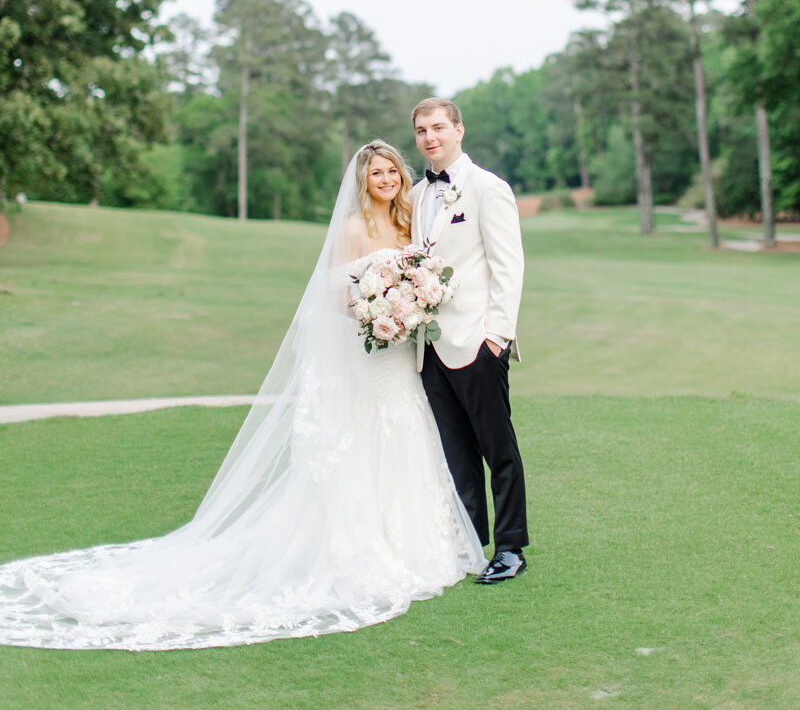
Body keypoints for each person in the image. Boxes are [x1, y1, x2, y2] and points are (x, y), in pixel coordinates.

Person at [0, 141, 483, 651]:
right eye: (376, 172)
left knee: (406, 435)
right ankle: (364, 547)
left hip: (401, 357)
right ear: (362, 180)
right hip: (372, 351)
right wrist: (382, 315)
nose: (386, 178)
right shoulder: (353, 229)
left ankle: (415, 545)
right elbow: (334, 294)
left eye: (392, 171)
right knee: (365, 441)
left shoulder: (409, 223)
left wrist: (410, 307)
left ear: (401, 177)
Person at [411, 98, 528, 583]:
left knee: (496, 448)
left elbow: (508, 266)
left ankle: (512, 549)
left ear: (459, 130)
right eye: (420, 130)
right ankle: (469, 543)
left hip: (477, 343)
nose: (429, 137)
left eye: (438, 127)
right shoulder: (416, 195)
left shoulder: (488, 188)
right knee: (455, 452)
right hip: (428, 348)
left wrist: (496, 337)